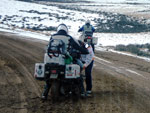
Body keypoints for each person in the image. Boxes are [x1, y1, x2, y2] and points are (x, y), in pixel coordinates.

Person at [41, 24, 89, 100]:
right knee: (78, 76)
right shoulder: (69, 38)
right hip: (64, 61)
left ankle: (44, 94)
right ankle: (82, 93)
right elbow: (78, 47)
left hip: (50, 60)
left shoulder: (52, 37)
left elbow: (48, 47)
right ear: (66, 30)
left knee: (48, 79)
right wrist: (85, 51)